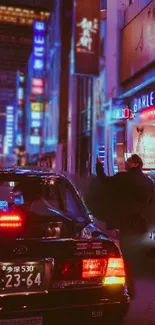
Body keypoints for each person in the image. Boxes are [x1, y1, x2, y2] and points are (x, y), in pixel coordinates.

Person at [96, 154, 154, 230]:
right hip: (139, 222)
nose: (125, 162)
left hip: (119, 219)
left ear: (136, 164)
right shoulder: (149, 182)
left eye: (129, 161)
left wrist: (99, 165)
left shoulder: (122, 177)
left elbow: (105, 181)